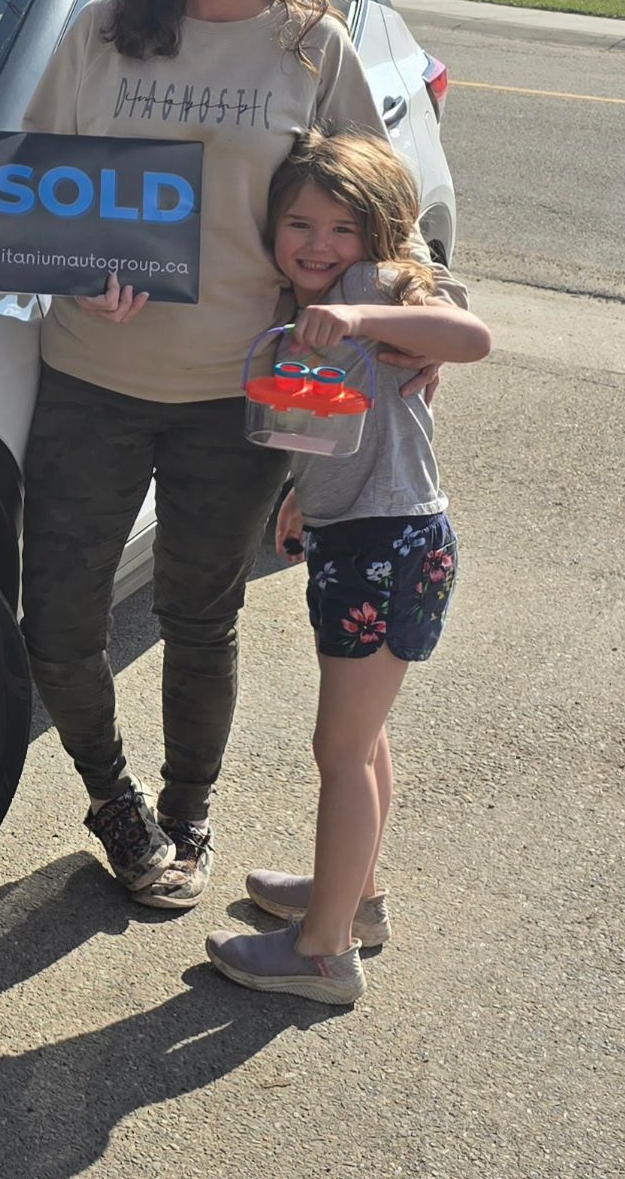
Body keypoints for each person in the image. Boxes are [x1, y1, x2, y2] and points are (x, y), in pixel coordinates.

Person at [18, 0, 433, 910]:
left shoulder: (311, 46)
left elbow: (377, 218)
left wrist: (408, 320)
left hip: (242, 393)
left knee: (199, 618)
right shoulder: (102, 32)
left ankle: (186, 812)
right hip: (89, 379)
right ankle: (114, 802)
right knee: (57, 621)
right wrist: (74, 267)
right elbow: (31, 185)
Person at [206, 131, 490, 1003]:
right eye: (300, 224)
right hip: (361, 535)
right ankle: (353, 898)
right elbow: (334, 420)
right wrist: (304, 492)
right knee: (362, 743)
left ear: (376, 233)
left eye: (343, 227)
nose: (319, 244)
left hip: (388, 544)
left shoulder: (366, 289)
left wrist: (363, 316)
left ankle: (324, 953)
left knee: (340, 749)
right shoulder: (308, 303)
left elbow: (471, 335)